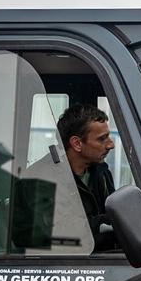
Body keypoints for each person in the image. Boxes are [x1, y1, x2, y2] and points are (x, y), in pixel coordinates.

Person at [56, 103, 119, 251]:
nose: (111, 145)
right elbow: (65, 234)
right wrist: (120, 220)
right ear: (77, 143)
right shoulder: (43, 181)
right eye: (102, 139)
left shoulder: (101, 172)